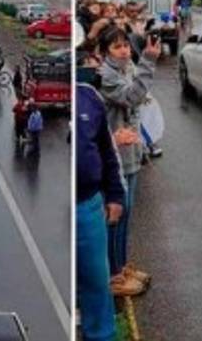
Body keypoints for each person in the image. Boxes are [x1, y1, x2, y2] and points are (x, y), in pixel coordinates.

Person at [97, 25, 158, 297]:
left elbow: (140, 101)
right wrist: (149, 61)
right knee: (116, 215)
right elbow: (132, 95)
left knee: (128, 213)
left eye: (125, 45)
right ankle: (113, 275)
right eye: (116, 46)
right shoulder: (106, 76)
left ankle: (121, 266)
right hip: (115, 158)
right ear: (105, 52)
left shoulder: (128, 68)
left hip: (131, 154)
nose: (123, 50)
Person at [76, 81, 126, 341]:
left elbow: (108, 151)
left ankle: (101, 335)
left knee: (96, 280)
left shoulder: (88, 96)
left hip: (88, 206)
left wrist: (116, 195)